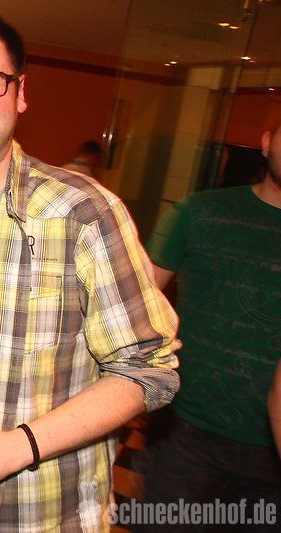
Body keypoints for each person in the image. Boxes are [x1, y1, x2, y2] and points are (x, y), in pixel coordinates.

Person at [0, 9, 181, 532]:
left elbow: (149, 369)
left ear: (20, 93)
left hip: (34, 514)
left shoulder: (82, 213)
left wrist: (18, 446)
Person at [140, 110, 281, 532]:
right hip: (186, 436)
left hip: (272, 458)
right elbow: (133, 310)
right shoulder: (201, 212)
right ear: (266, 142)